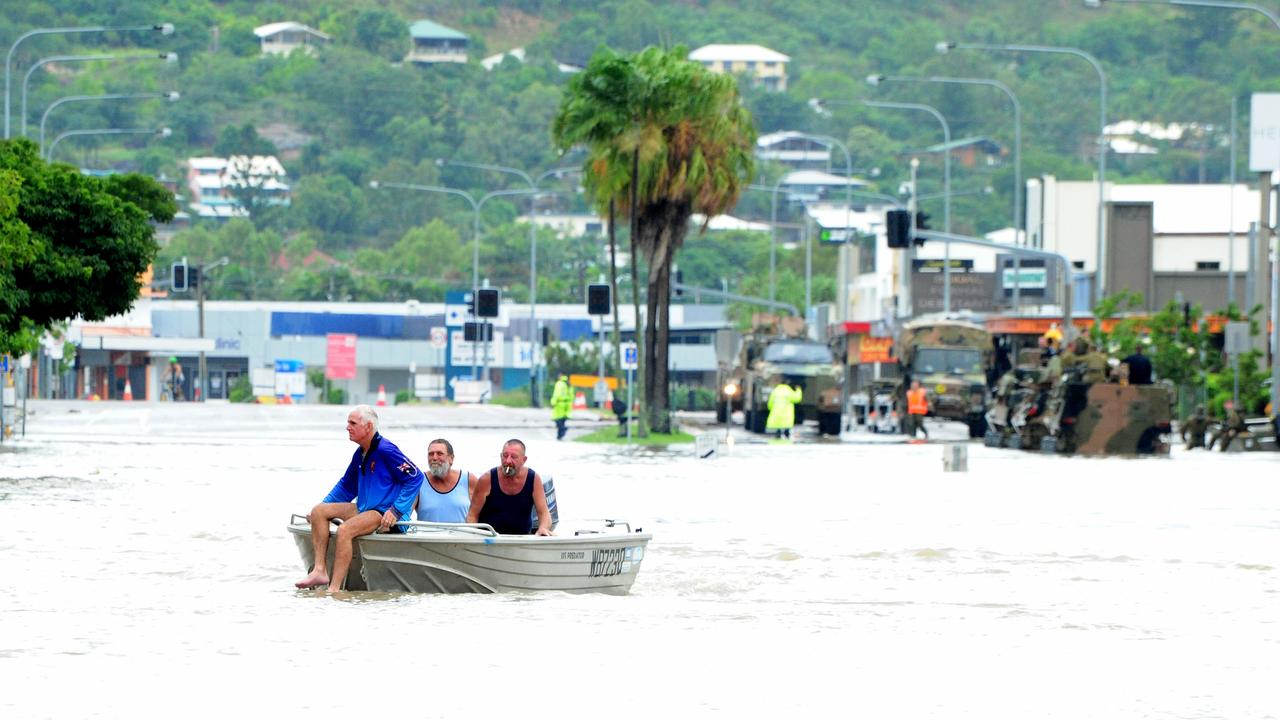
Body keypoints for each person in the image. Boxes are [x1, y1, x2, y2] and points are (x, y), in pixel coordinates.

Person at [295, 405, 426, 591]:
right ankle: (319, 570)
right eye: (348, 422)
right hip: (365, 508)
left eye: (352, 423)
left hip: (382, 512)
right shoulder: (361, 453)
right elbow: (347, 486)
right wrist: (324, 506)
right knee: (319, 511)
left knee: (345, 530)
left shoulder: (386, 450)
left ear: (369, 426)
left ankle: (334, 589)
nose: (347, 427)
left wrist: (396, 510)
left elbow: (416, 477)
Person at [467, 439, 551, 535]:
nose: (508, 461)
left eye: (514, 457)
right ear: (500, 456)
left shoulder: (533, 478)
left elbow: (544, 513)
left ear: (524, 460)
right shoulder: (487, 479)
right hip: (489, 539)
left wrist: (543, 528)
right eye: (505, 456)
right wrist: (473, 535)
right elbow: (472, 515)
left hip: (522, 539)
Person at [414, 438, 477, 523]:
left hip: (462, 536)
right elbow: (404, 512)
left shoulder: (469, 480)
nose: (434, 458)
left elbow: (484, 513)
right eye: (431, 454)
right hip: (427, 536)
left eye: (440, 454)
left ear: (451, 458)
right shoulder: (418, 481)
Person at [550, 374, 572, 440]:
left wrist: (553, 402)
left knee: (557, 419)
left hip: (559, 404)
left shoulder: (559, 384)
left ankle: (563, 429)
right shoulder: (568, 384)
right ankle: (560, 435)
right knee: (562, 420)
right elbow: (571, 394)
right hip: (567, 404)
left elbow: (556, 394)